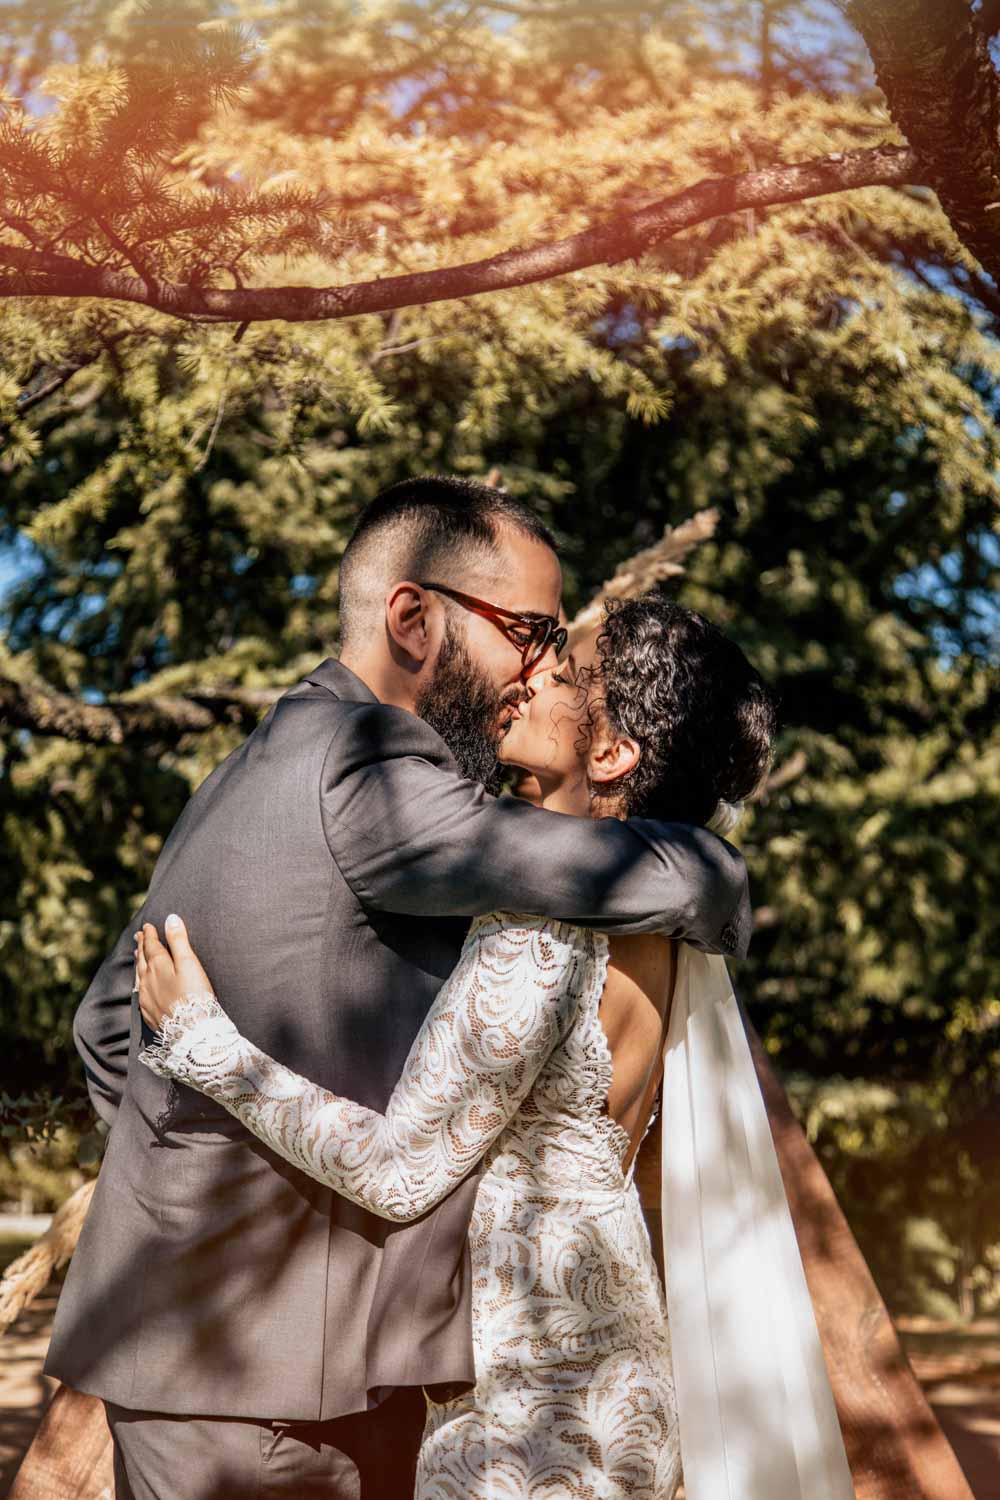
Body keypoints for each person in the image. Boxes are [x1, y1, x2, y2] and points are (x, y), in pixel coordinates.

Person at [44, 477, 751, 1500]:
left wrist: (184, 1184)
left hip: (350, 1372)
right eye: (528, 632)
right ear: (414, 618)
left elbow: (109, 1027)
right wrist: (720, 871)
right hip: (273, 1369)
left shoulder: (256, 763)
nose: (537, 667)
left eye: (556, 651)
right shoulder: (369, 764)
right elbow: (601, 871)